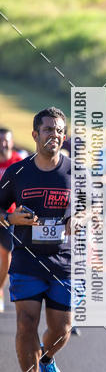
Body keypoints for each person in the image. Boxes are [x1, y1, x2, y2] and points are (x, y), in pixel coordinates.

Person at [0, 108, 72, 372]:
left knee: (62, 328)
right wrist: (11, 217)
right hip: (27, 261)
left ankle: (47, 357)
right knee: (25, 324)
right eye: (47, 130)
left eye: (58, 130)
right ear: (34, 135)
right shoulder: (17, 172)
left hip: (63, 262)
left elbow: (92, 209)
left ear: (64, 135)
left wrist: (79, 218)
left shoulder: (76, 172)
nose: (53, 135)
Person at [0, 128, 23, 312]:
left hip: (8, 216)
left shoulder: (18, 163)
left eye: (6, 140)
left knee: (6, 255)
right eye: (0, 140)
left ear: (12, 142)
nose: (3, 144)